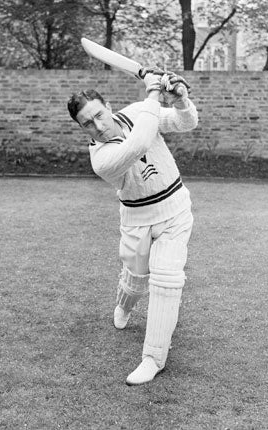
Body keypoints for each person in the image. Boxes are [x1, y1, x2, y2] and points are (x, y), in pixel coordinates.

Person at [66, 70, 198, 385]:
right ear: (81, 128)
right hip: (137, 220)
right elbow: (138, 143)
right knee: (136, 280)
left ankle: (153, 358)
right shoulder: (101, 159)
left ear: (108, 105)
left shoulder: (138, 111)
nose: (98, 126)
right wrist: (152, 92)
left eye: (99, 114)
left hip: (175, 210)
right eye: (88, 123)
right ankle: (123, 305)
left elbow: (185, 123)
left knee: (167, 280)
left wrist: (181, 101)